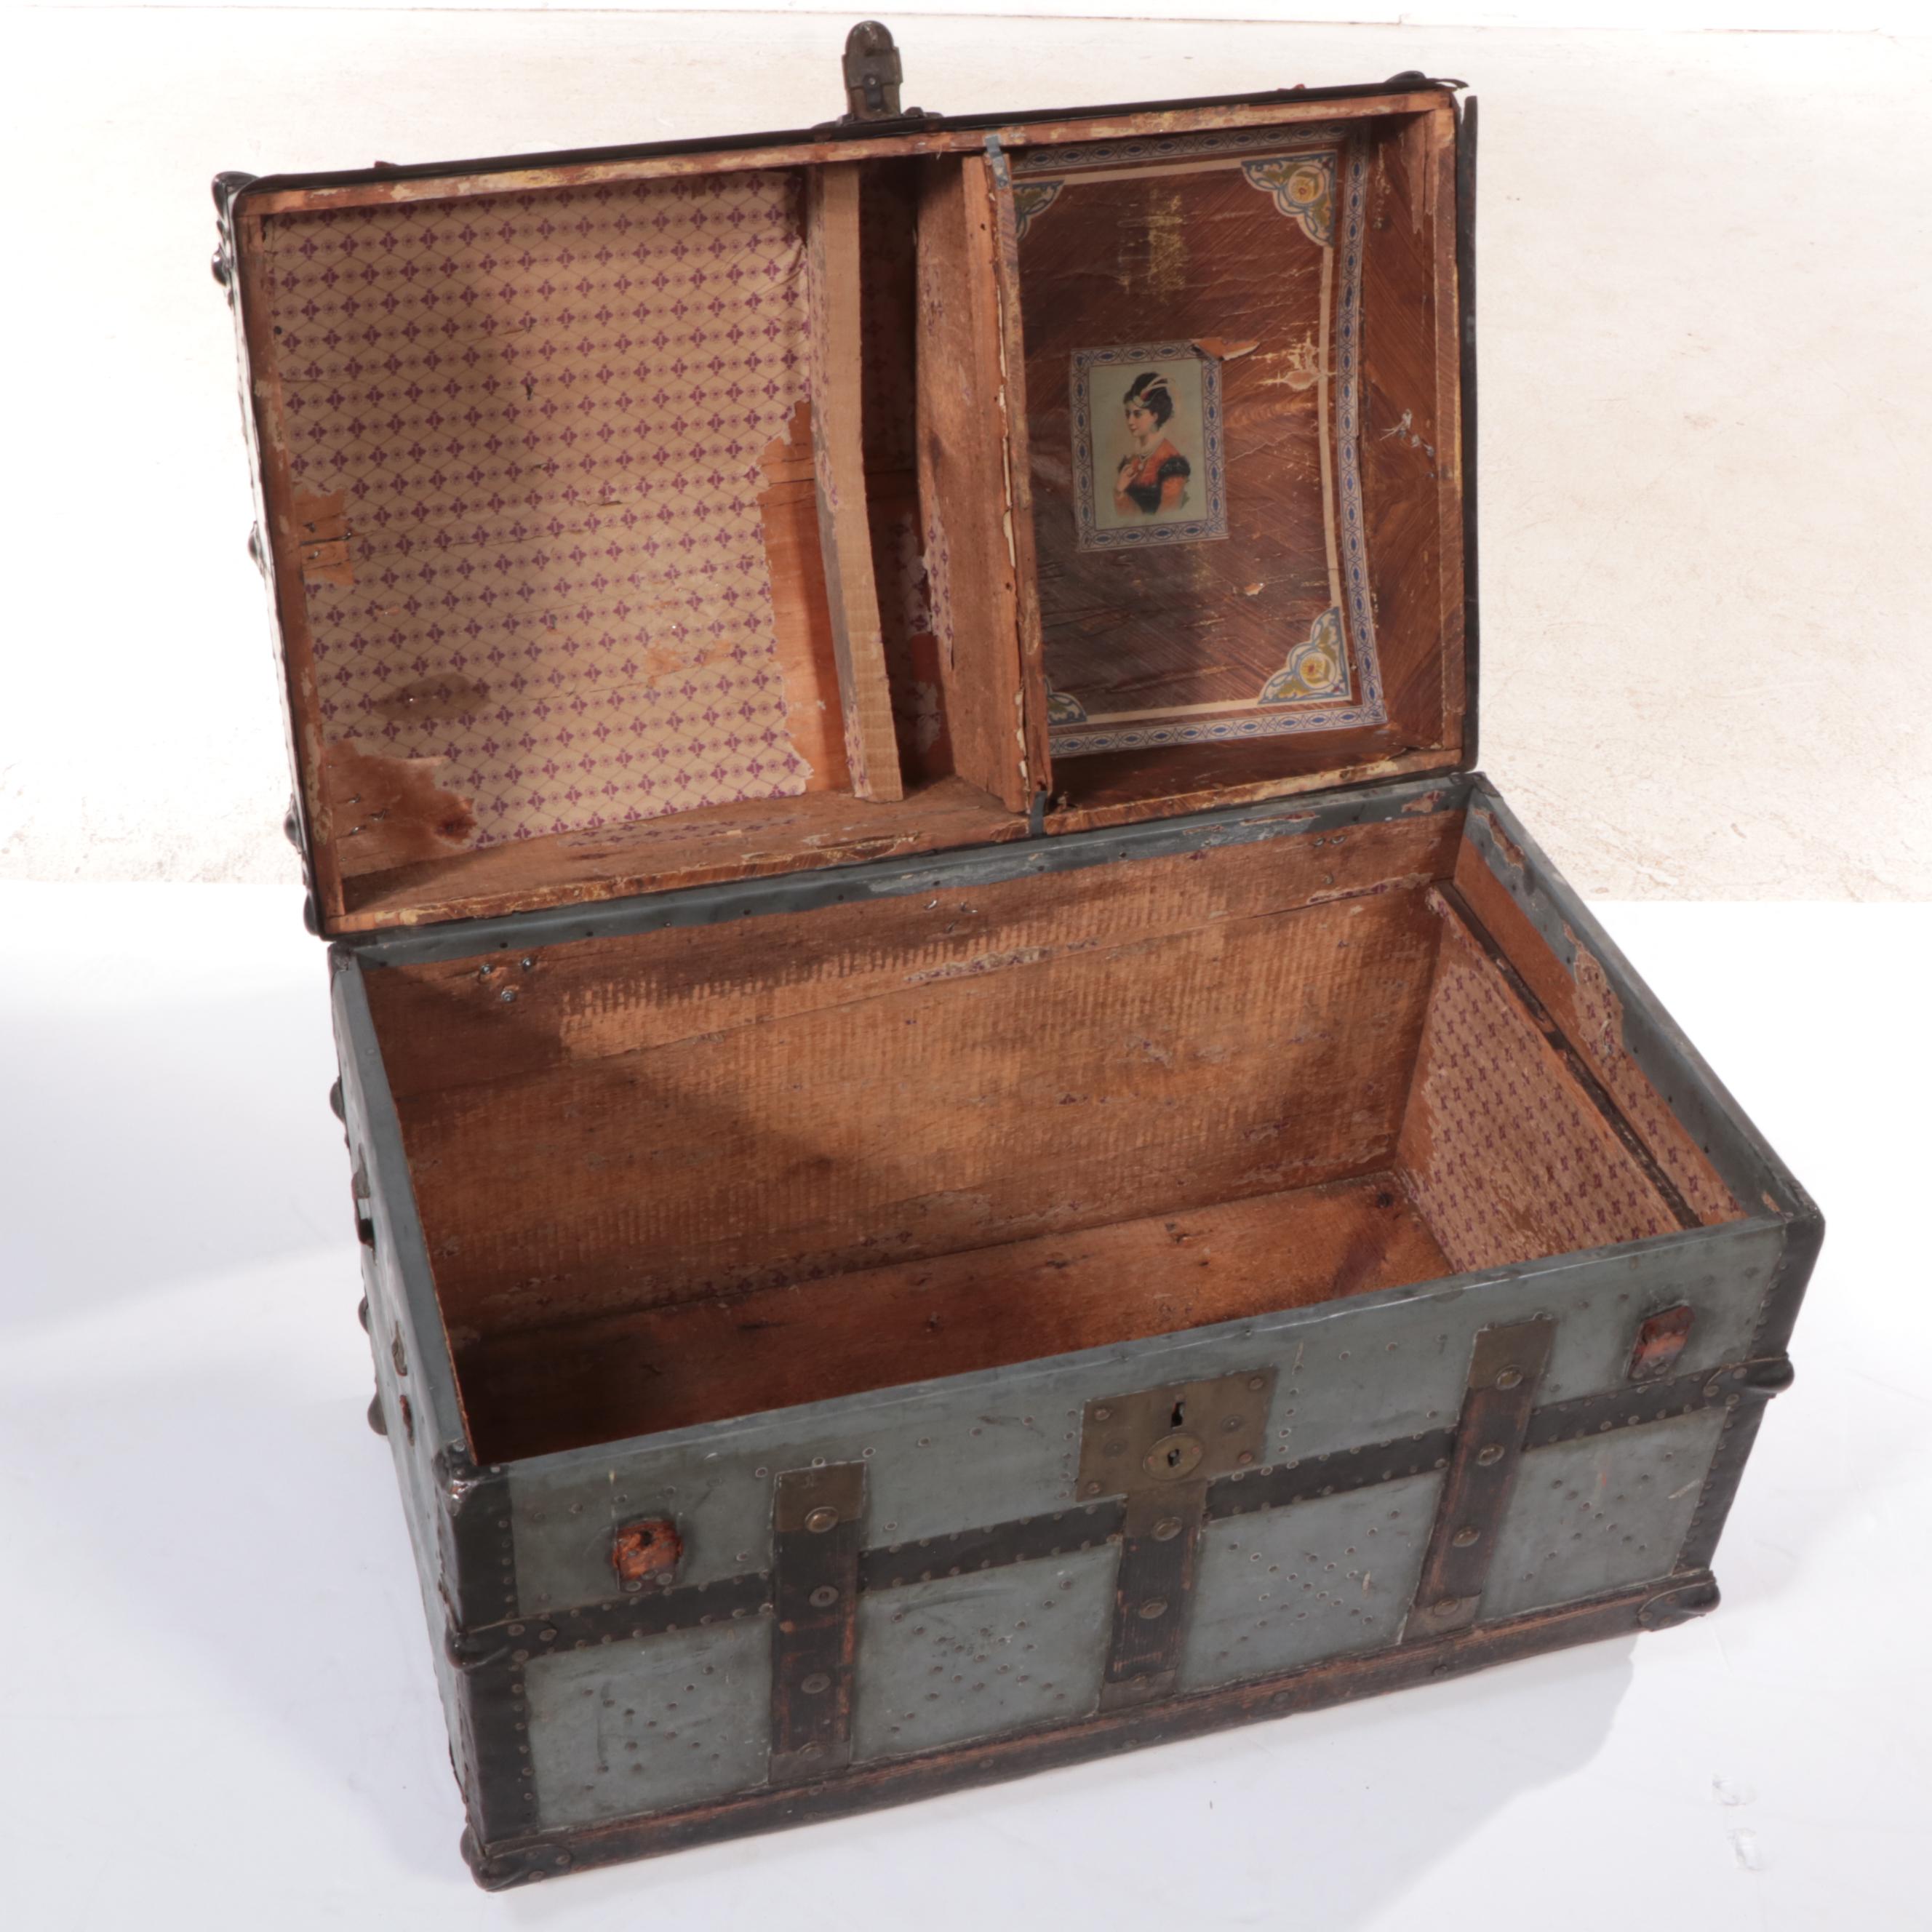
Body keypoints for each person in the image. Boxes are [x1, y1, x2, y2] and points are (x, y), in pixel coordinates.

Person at [1112, 372, 1191, 516]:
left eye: (1137, 414)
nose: (1130, 421)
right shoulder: (1133, 460)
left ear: (1155, 416)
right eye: (1127, 414)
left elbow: (1165, 519)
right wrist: (1119, 491)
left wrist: (1120, 493)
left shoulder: (1172, 465)